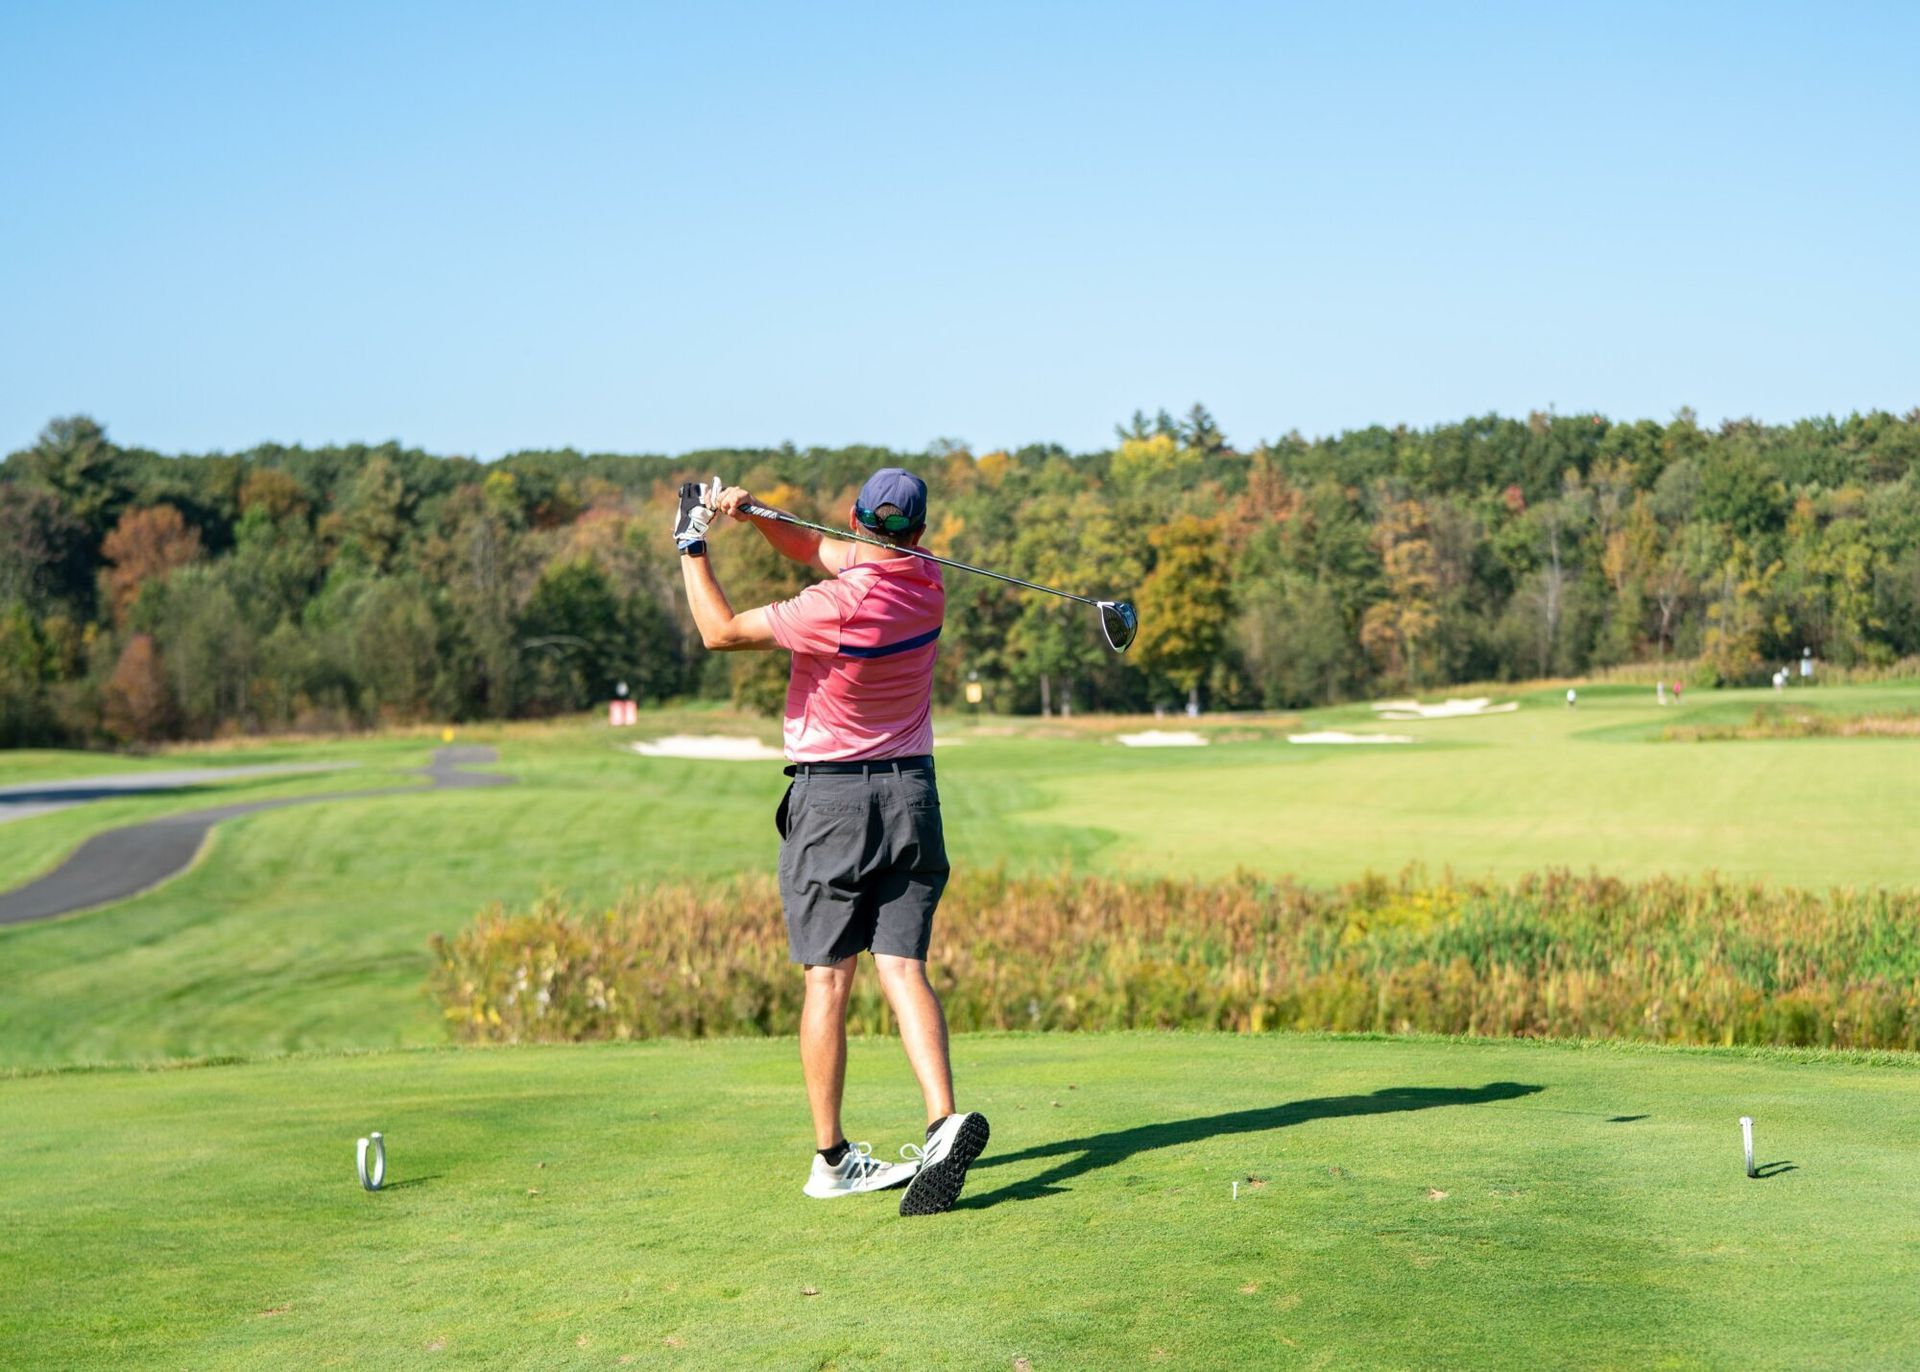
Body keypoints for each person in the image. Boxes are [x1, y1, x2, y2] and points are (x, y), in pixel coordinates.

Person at [672, 468, 989, 1216]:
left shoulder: (834, 607)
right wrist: (753, 518)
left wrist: (694, 543)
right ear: (916, 534)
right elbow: (816, 545)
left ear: (858, 520)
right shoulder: (928, 580)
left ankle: (833, 1159)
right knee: (904, 969)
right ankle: (943, 1122)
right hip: (913, 792)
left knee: (827, 979)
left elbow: (719, 631)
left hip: (834, 801)